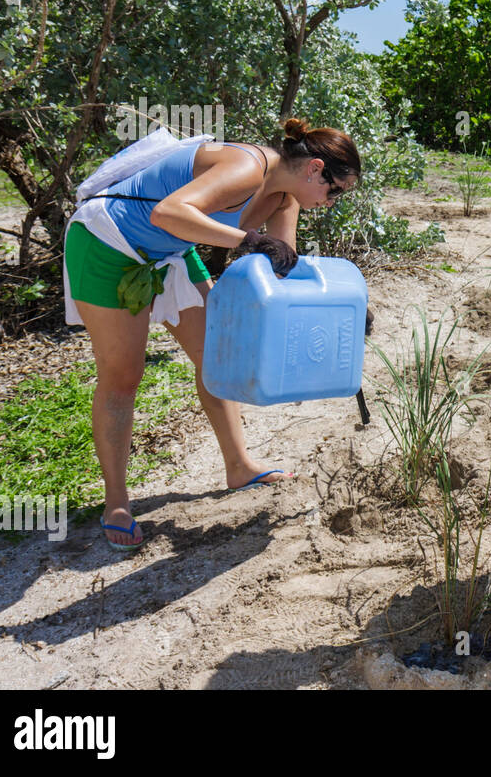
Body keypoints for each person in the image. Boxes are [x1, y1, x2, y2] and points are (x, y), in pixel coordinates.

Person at [63, 118, 361, 552]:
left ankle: (239, 466)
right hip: (108, 242)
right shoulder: (248, 166)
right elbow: (168, 212)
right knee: (123, 376)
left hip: (169, 252)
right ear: (315, 168)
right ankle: (116, 502)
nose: (332, 202)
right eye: (335, 190)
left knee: (218, 357)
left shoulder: (286, 199)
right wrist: (249, 240)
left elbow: (281, 270)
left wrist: (347, 309)